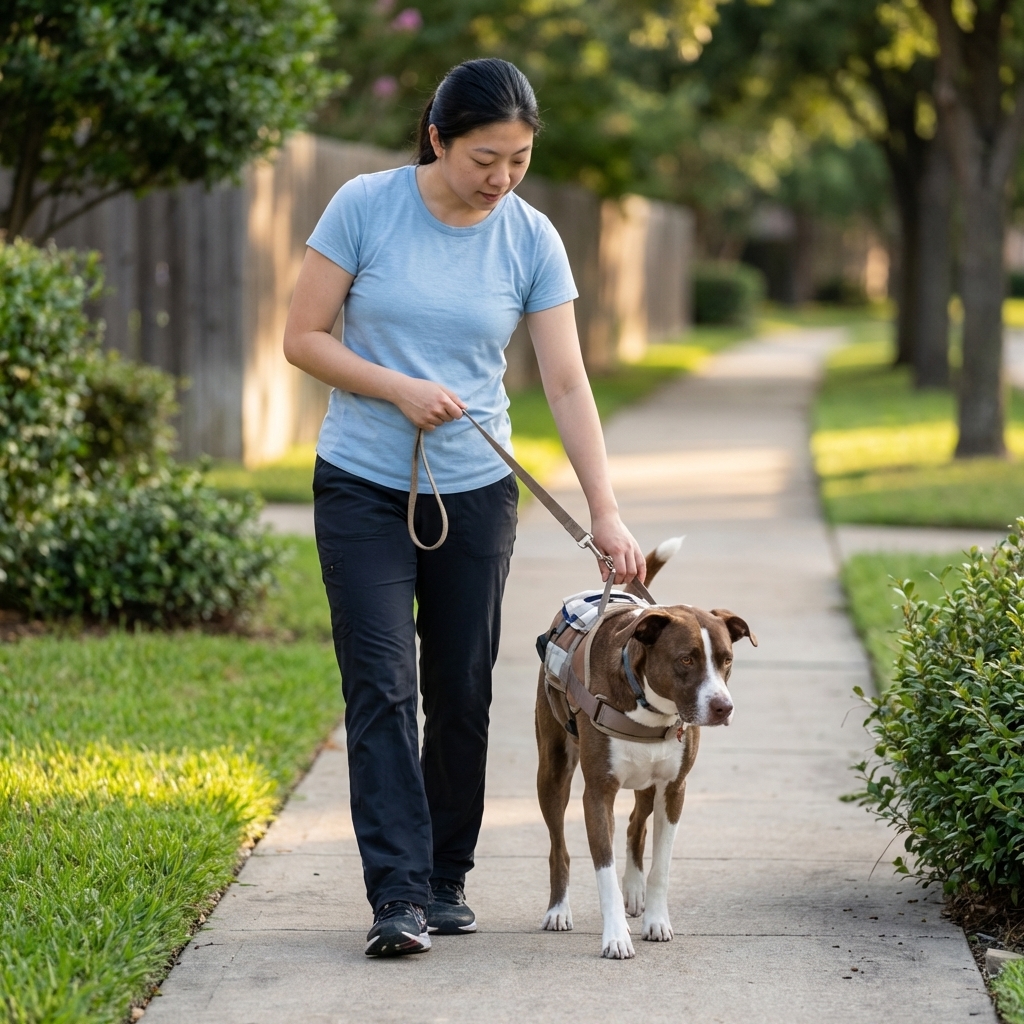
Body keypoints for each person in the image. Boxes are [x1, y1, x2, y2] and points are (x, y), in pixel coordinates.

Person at [283, 57, 645, 958]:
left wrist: (605, 511)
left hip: (477, 494)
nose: (502, 178)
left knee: (460, 690)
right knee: (380, 688)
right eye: (486, 157)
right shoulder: (364, 207)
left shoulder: (530, 237)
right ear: (438, 138)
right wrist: (398, 389)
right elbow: (302, 338)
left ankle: (446, 877)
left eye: (520, 159)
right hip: (363, 485)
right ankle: (397, 896)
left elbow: (565, 379)